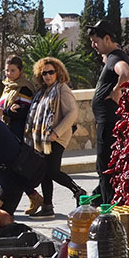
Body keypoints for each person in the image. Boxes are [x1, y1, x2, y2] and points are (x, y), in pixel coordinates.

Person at [24, 57, 87, 218]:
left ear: (58, 72)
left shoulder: (62, 89)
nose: (47, 76)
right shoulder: (42, 92)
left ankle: (78, 191)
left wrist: (56, 133)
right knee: (45, 172)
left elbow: (72, 113)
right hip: (42, 139)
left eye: (51, 72)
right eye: (44, 73)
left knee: (52, 171)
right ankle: (47, 207)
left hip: (55, 139)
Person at [89, 20, 129, 204]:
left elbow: (126, 73)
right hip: (108, 124)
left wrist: (117, 89)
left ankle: (109, 213)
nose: (93, 46)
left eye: (96, 41)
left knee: (106, 170)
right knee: (106, 170)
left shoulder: (116, 57)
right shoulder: (113, 56)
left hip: (109, 126)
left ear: (107, 39)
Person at [0, 55, 42, 213]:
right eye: (7, 70)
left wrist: (6, 111)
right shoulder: (8, 86)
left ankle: (32, 195)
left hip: (19, 132)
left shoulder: (24, 87)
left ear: (20, 71)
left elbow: (23, 110)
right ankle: (32, 195)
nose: (9, 73)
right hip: (7, 130)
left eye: (12, 70)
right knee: (10, 168)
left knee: (15, 168)